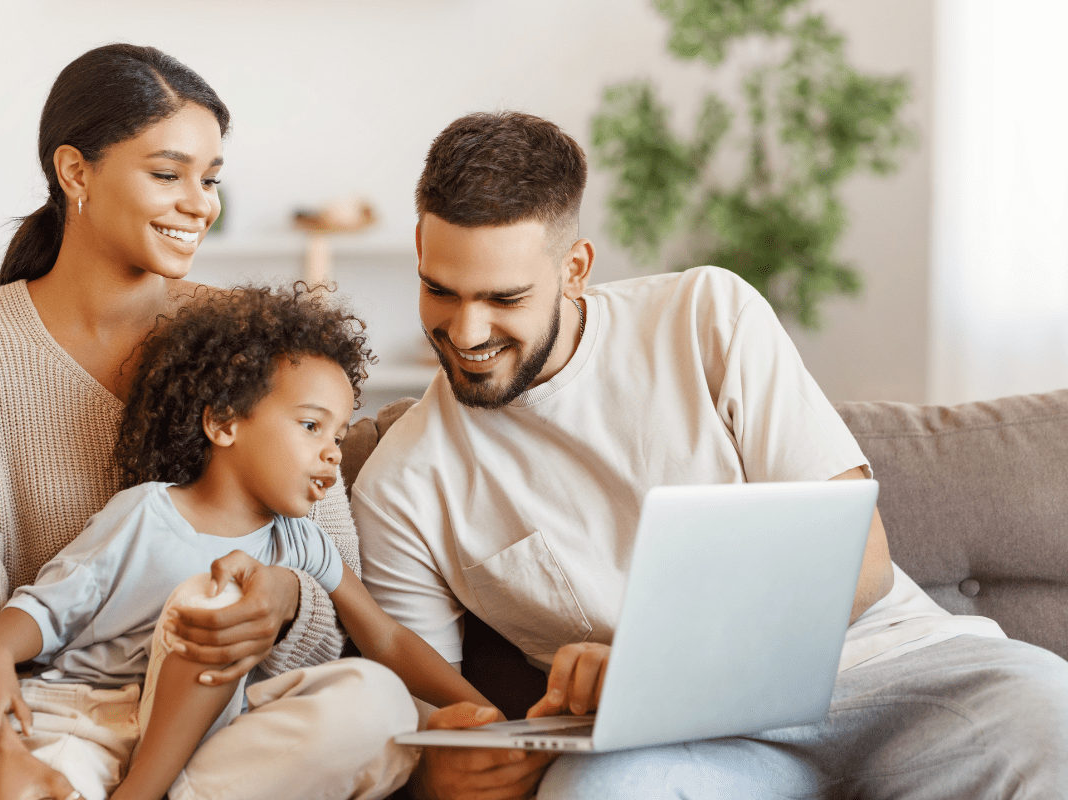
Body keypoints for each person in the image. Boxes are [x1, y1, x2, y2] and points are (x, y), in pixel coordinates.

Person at [351, 110, 1068, 799]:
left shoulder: (704, 315)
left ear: (575, 268)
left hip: (892, 669)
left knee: (1048, 713)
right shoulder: (399, 486)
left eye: (504, 298)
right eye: (440, 290)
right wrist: (434, 773)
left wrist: (650, 665)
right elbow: (432, 714)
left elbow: (863, 560)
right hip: (679, 744)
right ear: (419, 247)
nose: (466, 331)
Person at [0, 44, 409, 800]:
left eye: (211, 178)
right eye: (168, 174)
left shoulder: (254, 339)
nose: (201, 203)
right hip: (24, 697)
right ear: (75, 171)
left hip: (211, 719)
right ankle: (28, 776)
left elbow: (330, 574)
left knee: (373, 709)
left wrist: (279, 604)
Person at [0, 285, 490, 800]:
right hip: (84, 720)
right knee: (220, 594)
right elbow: (45, 610)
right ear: (224, 423)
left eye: (340, 436)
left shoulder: (303, 543)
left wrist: (491, 716)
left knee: (385, 702)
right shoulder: (147, 513)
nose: (331, 452)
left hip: (207, 742)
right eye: (310, 426)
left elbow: (387, 639)